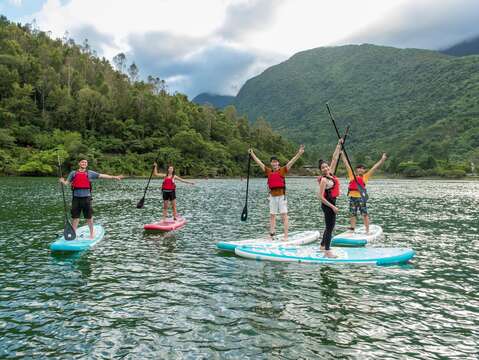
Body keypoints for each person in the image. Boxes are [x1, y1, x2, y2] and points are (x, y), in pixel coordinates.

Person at [248, 145, 305, 241]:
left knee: (284, 215)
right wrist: (252, 154)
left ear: (278, 163)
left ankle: (286, 236)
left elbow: (292, 161)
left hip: (281, 196)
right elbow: (259, 163)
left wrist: (299, 153)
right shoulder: (268, 171)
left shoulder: (282, 170)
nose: (274, 164)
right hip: (272, 197)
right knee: (272, 215)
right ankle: (271, 235)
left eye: (275, 162)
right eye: (272, 162)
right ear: (271, 164)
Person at [59, 159, 123, 239]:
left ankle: (92, 234)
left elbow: (102, 175)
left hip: (86, 198)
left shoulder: (90, 173)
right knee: (75, 217)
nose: (84, 163)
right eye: (82, 162)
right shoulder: (73, 173)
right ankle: (73, 233)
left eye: (85, 162)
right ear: (79, 163)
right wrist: (62, 181)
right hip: (76, 198)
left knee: (89, 217)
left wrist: (115, 177)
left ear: (87, 164)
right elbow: (66, 183)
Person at [341, 152, 387, 233]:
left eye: (362, 168)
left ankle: (367, 230)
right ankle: (352, 228)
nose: (360, 169)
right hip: (352, 198)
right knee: (352, 213)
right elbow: (346, 163)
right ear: (356, 170)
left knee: (364, 214)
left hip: (361, 198)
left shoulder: (366, 176)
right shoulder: (352, 175)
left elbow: (374, 167)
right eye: (359, 168)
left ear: (364, 170)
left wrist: (382, 159)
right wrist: (342, 154)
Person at [317, 139, 343, 258]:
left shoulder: (330, 175)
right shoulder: (323, 180)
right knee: (330, 227)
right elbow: (320, 197)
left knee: (328, 226)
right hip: (327, 205)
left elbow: (334, 158)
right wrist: (332, 207)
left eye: (326, 166)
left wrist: (338, 144)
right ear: (320, 170)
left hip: (332, 203)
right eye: (323, 168)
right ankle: (327, 251)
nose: (326, 168)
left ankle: (323, 245)